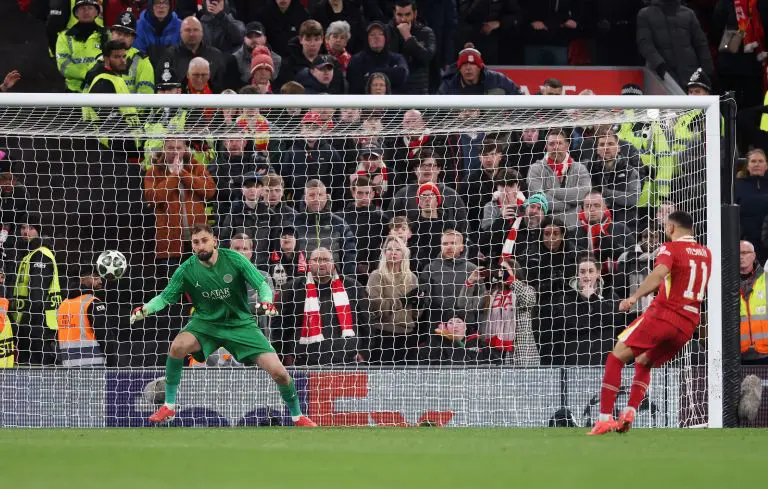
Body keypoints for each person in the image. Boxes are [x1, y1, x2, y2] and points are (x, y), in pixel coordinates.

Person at [130, 223, 316, 427]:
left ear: (214, 241)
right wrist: (146, 309)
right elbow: (165, 297)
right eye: (196, 242)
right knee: (177, 346)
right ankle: (169, 405)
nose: (200, 246)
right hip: (206, 323)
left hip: (240, 324)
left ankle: (298, 417)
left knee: (279, 373)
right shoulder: (186, 269)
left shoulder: (233, 259)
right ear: (192, 246)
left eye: (204, 241)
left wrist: (266, 301)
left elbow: (262, 284)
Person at [589, 211, 711, 435]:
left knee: (616, 356)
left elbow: (659, 272)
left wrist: (634, 297)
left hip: (665, 315)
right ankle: (629, 413)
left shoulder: (670, 248)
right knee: (644, 361)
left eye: (666, 226)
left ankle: (604, 418)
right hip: (688, 324)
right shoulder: (706, 253)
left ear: (672, 228)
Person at [275, 247, 368, 366]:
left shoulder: (352, 286)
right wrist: (285, 354)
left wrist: (365, 352)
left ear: (333, 263)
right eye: (317, 260)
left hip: (348, 359)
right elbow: (280, 324)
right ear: (309, 263)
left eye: (326, 259)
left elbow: (366, 321)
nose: (322, 263)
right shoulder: (293, 288)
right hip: (304, 361)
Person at [12, 223, 63, 365]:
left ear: (39, 231)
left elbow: (37, 294)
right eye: (22, 227)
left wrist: (25, 323)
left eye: (30, 228)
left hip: (38, 326)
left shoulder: (41, 254)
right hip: (32, 325)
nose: (25, 231)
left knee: (37, 374)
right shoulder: (30, 255)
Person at [367, 235, 420, 364]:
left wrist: (420, 304)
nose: (394, 252)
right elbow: (376, 306)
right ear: (384, 253)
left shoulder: (412, 278)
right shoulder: (376, 275)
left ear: (404, 253)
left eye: (398, 249)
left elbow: (415, 314)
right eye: (389, 249)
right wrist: (402, 302)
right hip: (383, 335)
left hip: (407, 336)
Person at [57, 268, 116, 366]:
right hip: (93, 365)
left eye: (100, 278)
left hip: (68, 365)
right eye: (96, 278)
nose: (100, 281)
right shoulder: (92, 303)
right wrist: (113, 364)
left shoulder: (63, 304)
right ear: (82, 279)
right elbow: (105, 336)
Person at [55, 0, 107, 92]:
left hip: (101, 90)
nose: (86, 12)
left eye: (90, 8)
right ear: (76, 12)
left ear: (97, 12)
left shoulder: (107, 34)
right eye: (82, 8)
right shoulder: (65, 36)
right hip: (74, 92)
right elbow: (63, 65)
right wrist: (86, 74)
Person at [386, 0, 436, 95]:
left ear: (415, 14)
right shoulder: (386, 32)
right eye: (400, 15)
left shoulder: (426, 32)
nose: (403, 19)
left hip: (418, 92)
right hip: (393, 92)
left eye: (407, 14)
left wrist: (408, 37)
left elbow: (426, 58)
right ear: (394, 14)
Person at [738, 240, 768, 365]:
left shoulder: (766, 279)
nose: (740, 256)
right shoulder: (726, 282)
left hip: (765, 352)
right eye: (738, 253)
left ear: (754, 255)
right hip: (738, 354)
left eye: (744, 253)